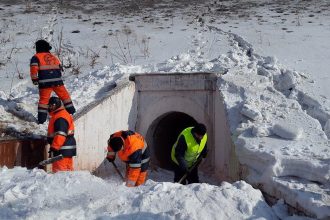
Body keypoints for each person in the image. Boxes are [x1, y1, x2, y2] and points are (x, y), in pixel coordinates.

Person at [30, 39, 75, 124]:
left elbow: (33, 69)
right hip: (57, 81)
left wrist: (35, 79)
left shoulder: (36, 57)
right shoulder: (53, 56)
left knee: (43, 101)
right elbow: (59, 68)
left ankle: (41, 120)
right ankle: (71, 112)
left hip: (44, 83)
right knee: (65, 97)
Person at [47, 97, 76, 173]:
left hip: (61, 150)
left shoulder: (60, 116)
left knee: (60, 174)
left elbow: (61, 134)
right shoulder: (62, 114)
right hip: (66, 149)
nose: (49, 108)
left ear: (55, 105)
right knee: (68, 174)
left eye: (50, 106)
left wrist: (54, 148)